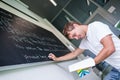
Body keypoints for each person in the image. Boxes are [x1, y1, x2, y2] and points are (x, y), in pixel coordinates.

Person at [48, 21, 120, 80]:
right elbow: (74, 54)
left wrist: (91, 62)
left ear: (76, 25)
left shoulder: (96, 26)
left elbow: (110, 48)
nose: (76, 38)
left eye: (74, 34)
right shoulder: (85, 42)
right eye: (74, 38)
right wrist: (57, 59)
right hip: (116, 67)